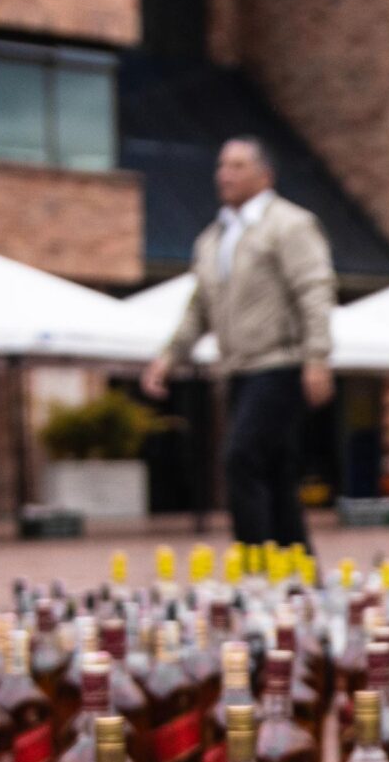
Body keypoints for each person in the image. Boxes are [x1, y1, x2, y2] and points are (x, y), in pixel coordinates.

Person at [143, 136, 337, 550]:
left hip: (279, 364)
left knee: (241, 458)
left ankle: (254, 566)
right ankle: (297, 570)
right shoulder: (212, 239)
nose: (224, 174)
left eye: (236, 166)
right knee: (277, 471)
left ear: (265, 175)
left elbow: (315, 290)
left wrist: (317, 358)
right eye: (221, 165)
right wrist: (169, 356)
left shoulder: (291, 225)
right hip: (237, 370)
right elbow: (199, 307)